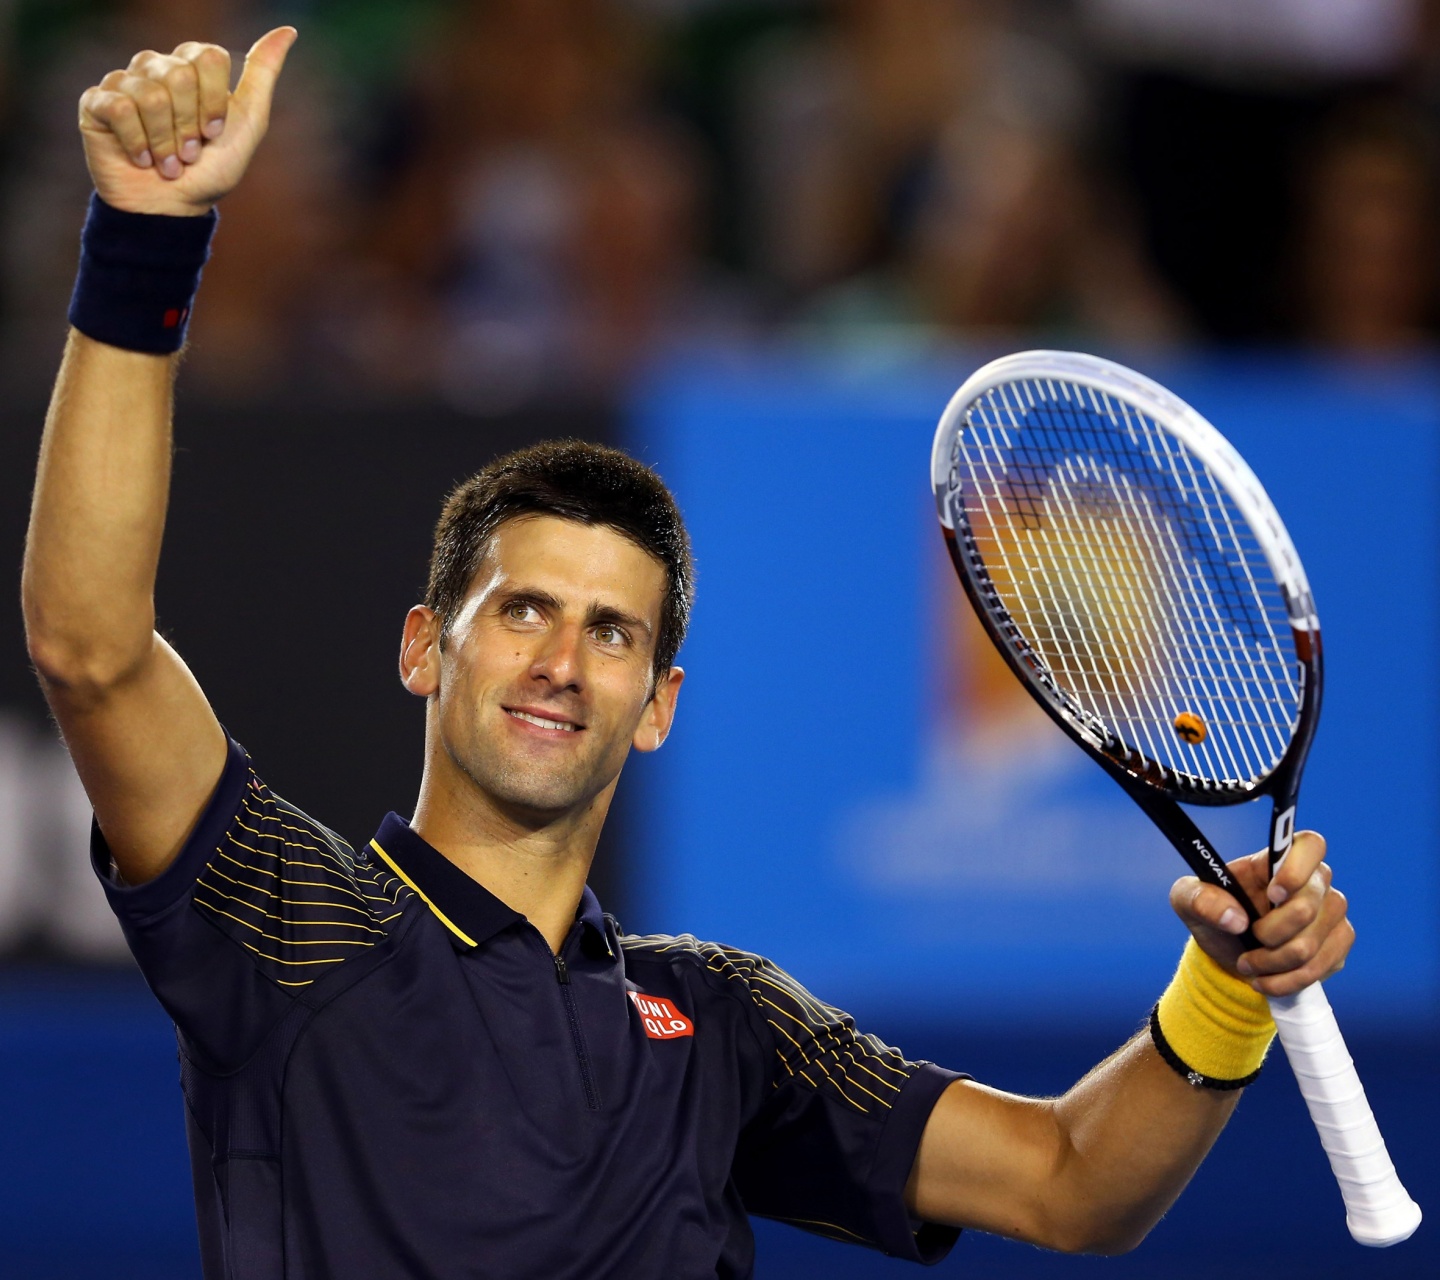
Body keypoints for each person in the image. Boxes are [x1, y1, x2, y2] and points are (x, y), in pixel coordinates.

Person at [21, 28, 1355, 1280]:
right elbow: (89, 650)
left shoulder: (725, 1024)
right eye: (524, 610)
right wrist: (148, 239)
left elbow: (1071, 1182)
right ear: (427, 647)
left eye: (613, 633)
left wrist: (1226, 991)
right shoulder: (296, 923)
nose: (562, 662)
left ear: (657, 707)